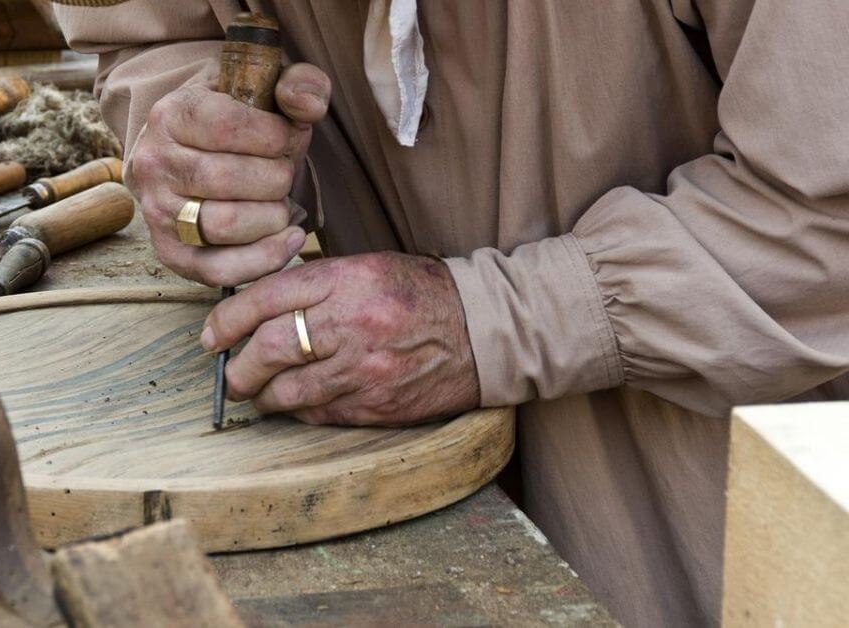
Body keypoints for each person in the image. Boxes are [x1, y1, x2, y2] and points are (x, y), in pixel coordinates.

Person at [42, 2, 849, 625]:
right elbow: (148, 32)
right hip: (408, 478)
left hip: (728, 507)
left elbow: (823, 222)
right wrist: (199, 137)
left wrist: (489, 322)